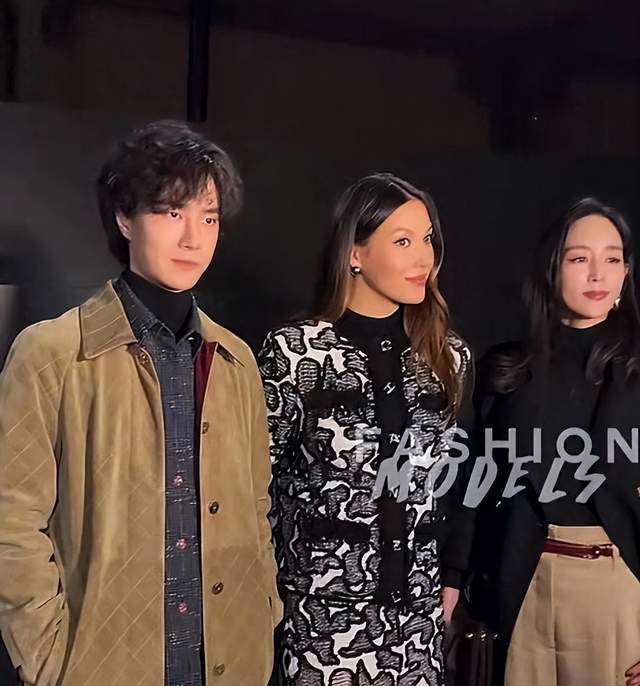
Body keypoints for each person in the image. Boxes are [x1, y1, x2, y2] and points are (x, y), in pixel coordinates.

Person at [0, 120, 282, 686]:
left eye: (208, 218)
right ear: (125, 218)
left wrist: (265, 611)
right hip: (101, 664)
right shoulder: (53, 354)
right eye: (172, 212)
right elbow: (11, 519)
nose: (193, 238)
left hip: (229, 659)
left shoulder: (235, 360)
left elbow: (256, 505)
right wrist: (48, 656)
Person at [259, 173, 474, 685]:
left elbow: (457, 479)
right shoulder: (296, 352)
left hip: (417, 618)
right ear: (355, 253)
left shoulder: (446, 356)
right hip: (320, 619)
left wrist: (452, 576)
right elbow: (254, 486)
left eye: (427, 239)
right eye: (402, 241)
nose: (423, 258)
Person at [474, 198, 640, 686]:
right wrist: (456, 578)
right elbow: (475, 483)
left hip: (617, 585)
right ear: (551, 267)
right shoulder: (508, 369)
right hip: (524, 581)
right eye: (579, 258)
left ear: (627, 272)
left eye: (612, 258)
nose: (598, 274)